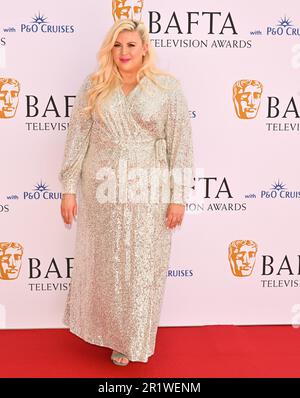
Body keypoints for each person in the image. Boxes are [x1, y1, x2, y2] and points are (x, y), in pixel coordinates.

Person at [59, 18, 194, 366]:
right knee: (109, 266)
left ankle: (136, 339)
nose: (123, 52)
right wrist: (69, 189)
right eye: (117, 45)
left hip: (149, 190)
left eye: (131, 45)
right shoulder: (95, 85)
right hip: (102, 189)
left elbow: (180, 146)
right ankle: (109, 333)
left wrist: (178, 195)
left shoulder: (167, 89)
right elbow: (77, 140)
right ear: (110, 48)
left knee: (143, 267)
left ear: (145, 48)